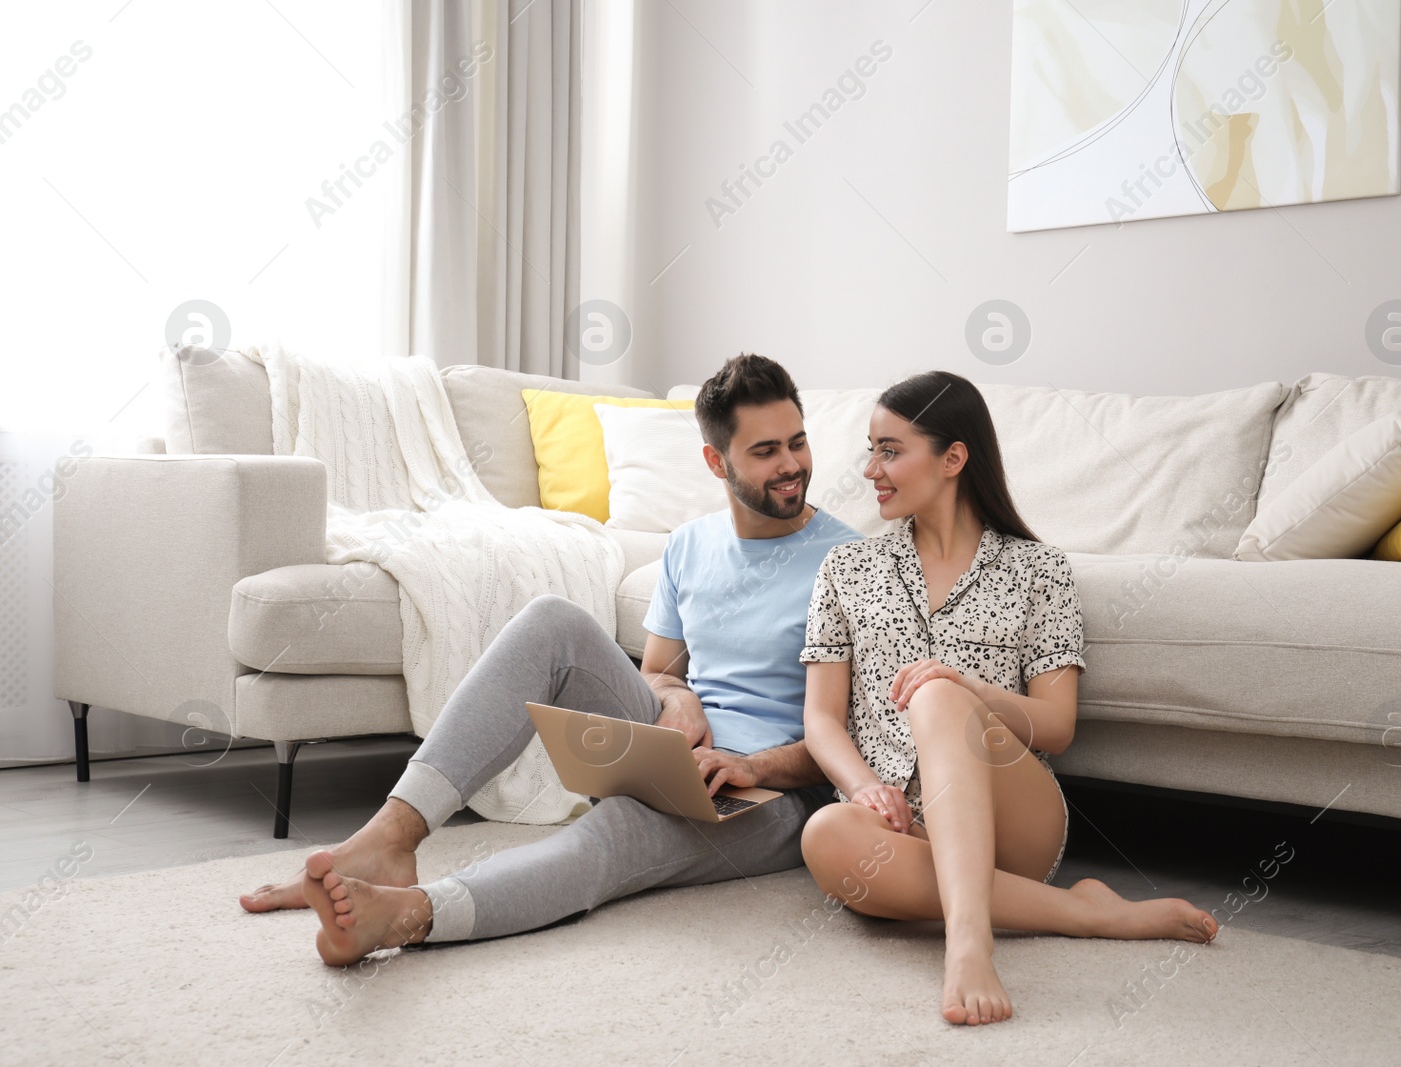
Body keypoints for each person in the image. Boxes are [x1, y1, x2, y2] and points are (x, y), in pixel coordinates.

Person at [239, 354, 861, 965]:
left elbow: (858, 741)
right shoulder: (690, 545)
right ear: (715, 460)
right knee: (551, 620)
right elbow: (659, 676)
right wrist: (679, 698)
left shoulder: (853, 562)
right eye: (766, 451)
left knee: (614, 834)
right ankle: (390, 837)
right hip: (679, 760)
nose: (791, 466)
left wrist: (750, 766)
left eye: (797, 443)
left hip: (776, 794)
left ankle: (407, 915)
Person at [797, 370, 1218, 1026]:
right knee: (824, 834)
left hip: (1014, 820)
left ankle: (969, 944)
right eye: (870, 449)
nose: (870, 469)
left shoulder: (1040, 569)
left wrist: (967, 688)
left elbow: (1056, 726)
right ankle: (1086, 911)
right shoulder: (845, 568)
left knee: (935, 693)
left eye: (890, 450)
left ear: (953, 458)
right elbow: (821, 718)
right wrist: (861, 789)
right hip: (894, 827)